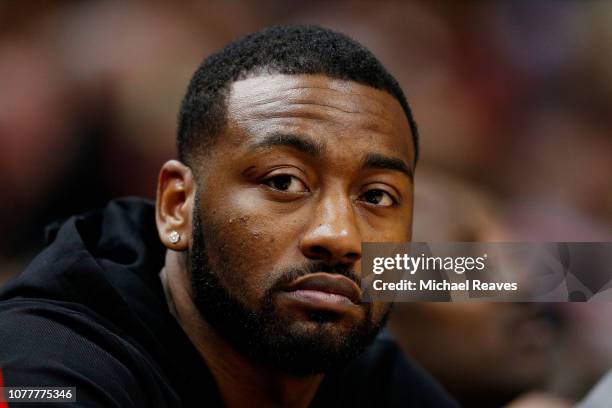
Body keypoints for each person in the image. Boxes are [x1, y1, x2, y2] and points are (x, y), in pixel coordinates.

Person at [0, 26, 457, 407]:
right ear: (177, 206)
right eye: (283, 182)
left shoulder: (354, 357)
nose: (339, 236)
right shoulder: (49, 362)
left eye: (377, 195)